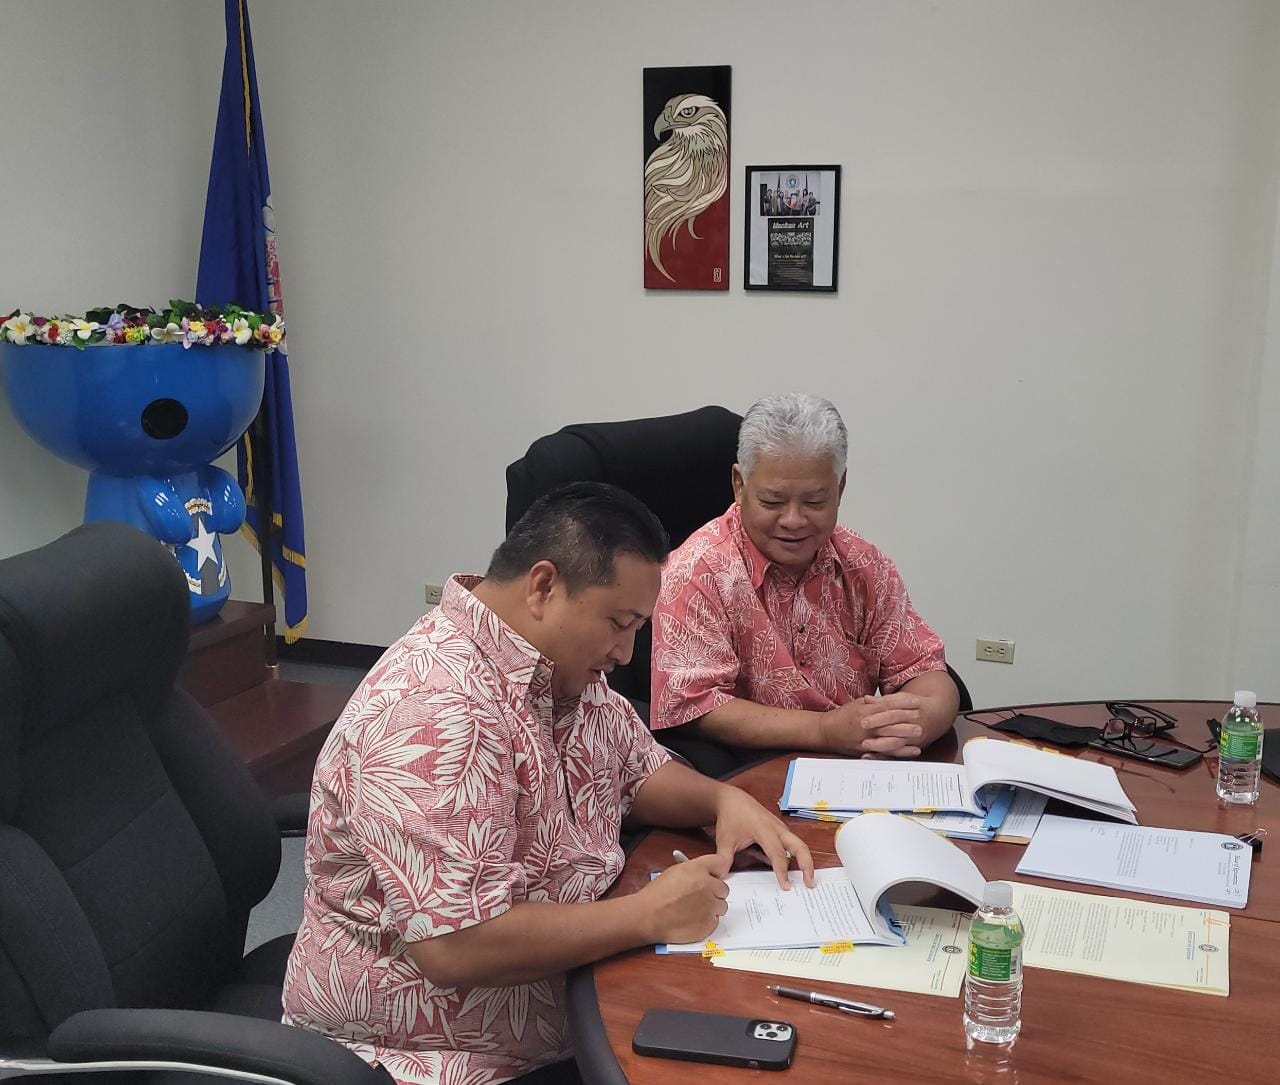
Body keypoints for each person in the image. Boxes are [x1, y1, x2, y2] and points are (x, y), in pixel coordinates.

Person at [281, 482, 814, 1085]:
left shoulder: (558, 667)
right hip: (446, 1056)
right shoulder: (434, 712)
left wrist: (722, 799)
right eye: (619, 624)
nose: (626, 652)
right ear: (542, 587)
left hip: (584, 988)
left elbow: (635, 770)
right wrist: (647, 916)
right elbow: (459, 945)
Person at [650, 392, 958, 765]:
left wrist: (921, 720)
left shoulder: (863, 564)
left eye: (814, 502)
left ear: (840, 488)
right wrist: (824, 731)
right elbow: (694, 704)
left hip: (858, 769)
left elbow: (925, 669)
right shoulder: (698, 571)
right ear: (739, 485)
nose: (794, 521)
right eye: (772, 502)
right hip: (746, 773)